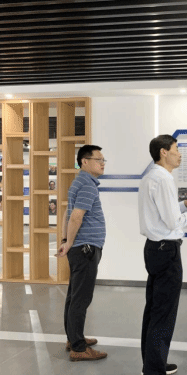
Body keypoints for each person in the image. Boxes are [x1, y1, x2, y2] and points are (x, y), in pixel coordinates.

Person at [138, 134, 187, 375]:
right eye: (176, 149)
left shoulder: (151, 176)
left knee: (154, 310)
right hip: (166, 252)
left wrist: (184, 204)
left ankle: (152, 365)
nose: (180, 154)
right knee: (163, 315)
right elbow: (172, 223)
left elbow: (162, 213)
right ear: (163, 152)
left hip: (154, 249)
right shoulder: (164, 179)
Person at [56, 145, 108, 362]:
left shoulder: (80, 182)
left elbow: (67, 213)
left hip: (81, 248)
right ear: (84, 161)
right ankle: (78, 347)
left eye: (104, 160)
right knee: (81, 298)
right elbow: (76, 216)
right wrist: (68, 243)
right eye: (99, 160)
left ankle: (74, 338)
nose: (103, 163)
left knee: (74, 296)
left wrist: (66, 240)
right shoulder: (87, 185)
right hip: (86, 249)